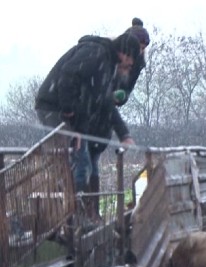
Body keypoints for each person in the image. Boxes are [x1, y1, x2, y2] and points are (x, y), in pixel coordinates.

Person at [34, 32, 141, 197]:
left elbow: (102, 102)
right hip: (53, 107)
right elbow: (67, 77)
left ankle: (77, 209)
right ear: (124, 53)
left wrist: (123, 134)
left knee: (81, 162)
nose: (131, 63)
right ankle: (72, 210)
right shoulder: (96, 54)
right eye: (131, 59)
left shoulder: (106, 65)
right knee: (78, 162)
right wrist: (69, 113)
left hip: (65, 110)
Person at [83, 18, 151, 220]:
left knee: (92, 160)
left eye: (143, 48)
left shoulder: (135, 64)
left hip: (103, 115)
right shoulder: (107, 58)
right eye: (138, 47)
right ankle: (87, 211)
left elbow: (122, 92)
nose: (139, 52)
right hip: (91, 112)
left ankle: (92, 211)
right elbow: (101, 93)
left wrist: (121, 96)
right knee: (84, 161)